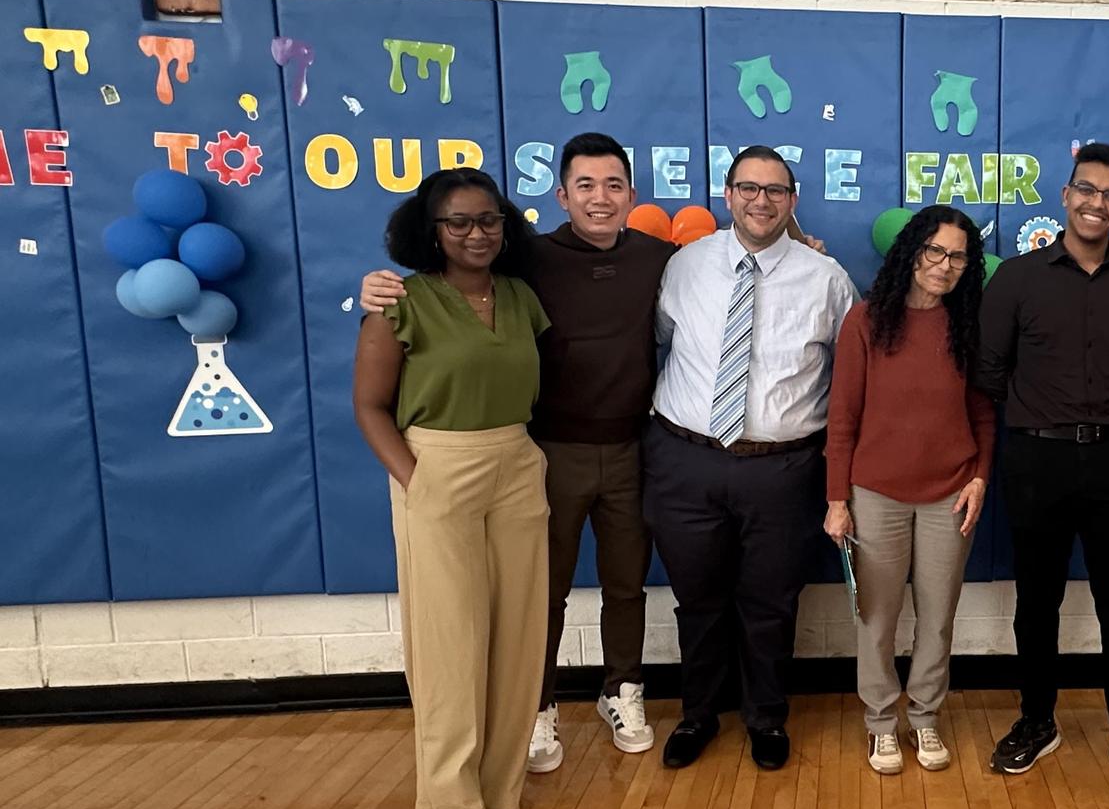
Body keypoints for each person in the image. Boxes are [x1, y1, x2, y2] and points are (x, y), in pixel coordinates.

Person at [360, 133, 673, 774]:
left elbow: (730, 271)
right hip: (546, 451)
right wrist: (372, 288)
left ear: (632, 195)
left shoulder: (660, 258)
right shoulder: (524, 261)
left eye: (613, 184)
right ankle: (537, 708)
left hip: (632, 448)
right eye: (584, 185)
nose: (600, 197)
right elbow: (446, 289)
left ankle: (624, 693)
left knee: (626, 584)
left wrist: (804, 246)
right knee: (539, 593)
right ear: (561, 195)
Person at [975, 142, 1109, 797]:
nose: (1097, 203)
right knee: (1037, 602)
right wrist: (1039, 414)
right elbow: (989, 369)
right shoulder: (1016, 277)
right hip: (1038, 457)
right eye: (1086, 190)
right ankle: (1037, 721)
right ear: (1065, 195)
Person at [351, 168, 550, 809]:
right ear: (430, 231)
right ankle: (448, 800)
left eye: (489, 219)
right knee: (449, 640)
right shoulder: (398, 300)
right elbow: (370, 406)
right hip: (438, 465)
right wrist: (416, 478)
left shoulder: (520, 296)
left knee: (518, 636)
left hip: (516, 464)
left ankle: (501, 787)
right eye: (458, 222)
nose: (476, 233)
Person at [648, 145, 858, 771]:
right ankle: (698, 715)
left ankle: (766, 716)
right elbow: (662, 337)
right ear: (727, 194)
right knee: (699, 598)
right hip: (686, 460)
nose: (760, 200)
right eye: (748, 187)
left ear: (792, 200)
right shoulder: (684, 266)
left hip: (784, 468)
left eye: (774, 190)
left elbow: (852, 377)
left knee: (771, 601)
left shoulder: (828, 279)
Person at [822, 206, 994, 776]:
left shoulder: (968, 326)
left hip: (950, 493)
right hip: (875, 495)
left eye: (958, 256)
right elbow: (842, 418)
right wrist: (837, 500)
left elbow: (983, 413)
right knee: (877, 616)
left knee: (938, 615)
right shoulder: (866, 322)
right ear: (911, 252)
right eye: (934, 252)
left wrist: (980, 476)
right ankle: (880, 724)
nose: (945, 266)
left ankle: (924, 718)